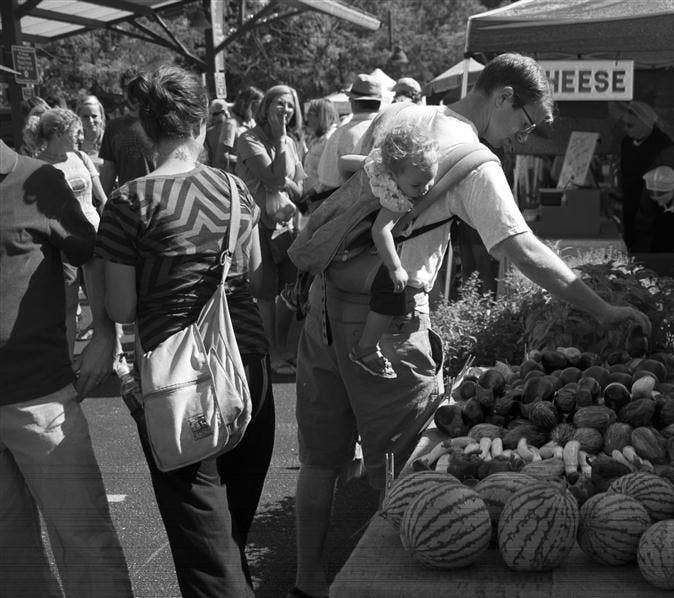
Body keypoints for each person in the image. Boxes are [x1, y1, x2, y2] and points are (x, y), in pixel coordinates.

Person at [290, 52, 652, 598]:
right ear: (503, 96)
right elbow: (522, 249)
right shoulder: (474, 161)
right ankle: (397, 584)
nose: (520, 136)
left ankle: (306, 583)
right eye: (524, 122)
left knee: (320, 464)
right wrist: (601, 307)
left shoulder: (402, 116)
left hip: (322, 307)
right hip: (386, 320)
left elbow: (332, 179)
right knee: (405, 462)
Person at [94, 65, 275, 598]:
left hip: (181, 382)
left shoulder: (130, 201)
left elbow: (123, 308)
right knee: (231, 534)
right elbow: (260, 281)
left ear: (144, 131)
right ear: (201, 125)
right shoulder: (236, 188)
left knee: (205, 550)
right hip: (249, 368)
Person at [0, 139, 133, 597]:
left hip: (40, 397)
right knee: (9, 554)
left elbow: (92, 253)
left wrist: (104, 333)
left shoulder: (35, 180)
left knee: (83, 539)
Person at [348, 124, 439, 378]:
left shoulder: (378, 165)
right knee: (390, 293)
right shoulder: (396, 199)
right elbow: (381, 231)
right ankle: (366, 347)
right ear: (395, 174)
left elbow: (345, 161)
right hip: (369, 244)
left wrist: (357, 180)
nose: (425, 189)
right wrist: (395, 267)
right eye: (417, 184)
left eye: (431, 179)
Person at [234, 84, 305, 375]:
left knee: (290, 290)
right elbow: (273, 180)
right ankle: (272, 353)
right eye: (279, 103)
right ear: (266, 106)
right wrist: (279, 141)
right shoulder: (249, 139)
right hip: (256, 224)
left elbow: (299, 188)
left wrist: (286, 146)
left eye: (290, 105)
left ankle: (286, 348)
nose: (285, 110)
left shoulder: (293, 141)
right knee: (264, 292)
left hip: (286, 225)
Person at [31, 107, 108, 356]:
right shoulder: (38, 164)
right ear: (57, 132)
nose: (80, 135)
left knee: (102, 303)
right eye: (75, 131)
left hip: (94, 236)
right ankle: (67, 359)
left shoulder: (82, 157)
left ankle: (112, 357)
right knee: (69, 303)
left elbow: (102, 198)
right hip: (63, 243)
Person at [618, 100, 674, 249]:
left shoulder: (663, 145)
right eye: (624, 124)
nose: (625, 129)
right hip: (633, 205)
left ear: (645, 124)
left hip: (656, 210)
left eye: (630, 125)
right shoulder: (626, 143)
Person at [317, 73, 385, 192]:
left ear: (355, 102)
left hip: (352, 205)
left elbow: (328, 180)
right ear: (378, 102)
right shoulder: (392, 129)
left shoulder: (341, 134)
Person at [99, 67, 157, 193]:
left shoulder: (162, 122)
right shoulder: (114, 127)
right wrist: (101, 204)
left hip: (163, 199)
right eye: (128, 88)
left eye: (137, 87)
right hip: (129, 203)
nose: (133, 93)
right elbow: (109, 170)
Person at [300, 98, 340, 202]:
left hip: (320, 198)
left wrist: (314, 192)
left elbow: (330, 173)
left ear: (321, 116)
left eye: (310, 113)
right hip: (312, 197)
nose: (307, 117)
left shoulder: (331, 139)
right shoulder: (319, 137)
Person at [218, 85, 263, 172]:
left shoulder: (252, 123)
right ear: (248, 104)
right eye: (259, 105)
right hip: (236, 179)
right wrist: (248, 160)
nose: (260, 109)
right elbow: (222, 157)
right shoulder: (231, 124)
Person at [77, 94, 106, 169]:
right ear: (79, 118)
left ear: (101, 117)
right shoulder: (72, 143)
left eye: (94, 116)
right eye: (85, 117)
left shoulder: (110, 140)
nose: (90, 120)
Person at [203, 97, 231, 166]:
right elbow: (209, 157)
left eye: (215, 114)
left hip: (232, 174)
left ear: (224, 112)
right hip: (215, 173)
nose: (212, 117)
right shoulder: (209, 133)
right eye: (210, 114)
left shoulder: (234, 131)